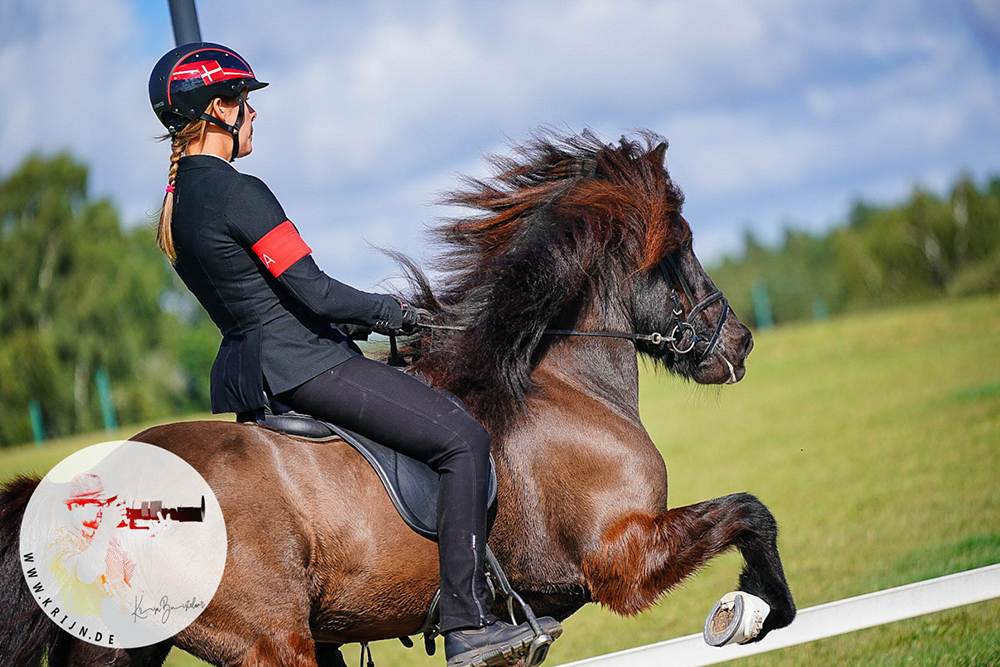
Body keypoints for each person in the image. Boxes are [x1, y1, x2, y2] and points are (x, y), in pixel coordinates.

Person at [148, 43, 558, 667]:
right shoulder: (240, 193)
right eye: (246, 101)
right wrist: (396, 314)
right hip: (307, 365)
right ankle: (468, 621)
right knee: (464, 441)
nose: (254, 114)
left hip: (250, 382)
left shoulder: (178, 213)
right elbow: (313, 291)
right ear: (217, 109)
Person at [48, 473, 135, 616]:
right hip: (85, 624)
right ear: (76, 506)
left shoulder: (101, 536)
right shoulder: (60, 542)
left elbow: (129, 575)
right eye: (96, 504)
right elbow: (84, 573)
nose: (102, 510)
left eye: (104, 504)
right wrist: (106, 533)